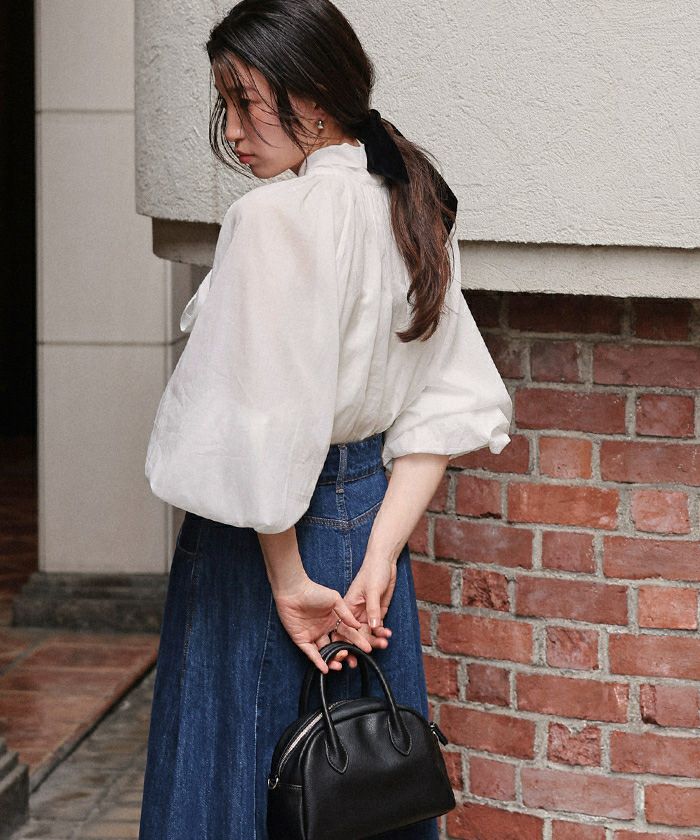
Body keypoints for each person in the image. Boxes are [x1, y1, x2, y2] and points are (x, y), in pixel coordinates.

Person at [138, 1, 512, 837]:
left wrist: (287, 579)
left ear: (309, 89)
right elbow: (444, 409)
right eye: (225, 104)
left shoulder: (272, 218)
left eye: (244, 100)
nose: (233, 131)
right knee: (364, 793)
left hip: (267, 546)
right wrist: (379, 557)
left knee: (228, 789)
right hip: (368, 530)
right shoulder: (414, 207)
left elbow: (256, 426)